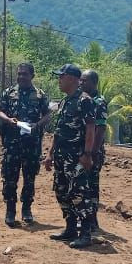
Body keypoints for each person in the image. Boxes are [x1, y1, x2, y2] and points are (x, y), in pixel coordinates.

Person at [44, 63, 97, 249]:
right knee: (61, 192)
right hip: (61, 156)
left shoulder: (85, 101)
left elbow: (91, 128)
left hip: (76, 157)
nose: (59, 80)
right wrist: (50, 154)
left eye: (62, 76)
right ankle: (70, 228)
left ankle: (86, 233)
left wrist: (87, 154)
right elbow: (59, 131)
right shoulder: (65, 101)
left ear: (73, 79)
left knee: (79, 194)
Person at [0, 62, 51, 227]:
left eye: (24, 74)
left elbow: (48, 114)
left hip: (32, 144)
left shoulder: (40, 95)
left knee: (30, 178)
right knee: (10, 178)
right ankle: (10, 211)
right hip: (11, 143)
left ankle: (26, 209)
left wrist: (38, 125)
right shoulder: (9, 92)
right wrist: (7, 119)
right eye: (19, 74)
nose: (21, 76)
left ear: (32, 76)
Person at [80, 69, 108, 234]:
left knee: (91, 186)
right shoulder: (84, 99)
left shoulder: (99, 101)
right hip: (84, 150)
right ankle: (86, 220)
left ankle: (93, 222)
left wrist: (92, 153)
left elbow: (100, 128)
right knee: (83, 185)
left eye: (85, 81)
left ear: (93, 83)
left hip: (93, 152)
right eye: (81, 80)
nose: (81, 83)